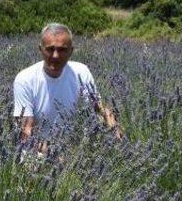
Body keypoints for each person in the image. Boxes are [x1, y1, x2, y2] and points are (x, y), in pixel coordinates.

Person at [13, 22, 122, 154]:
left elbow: (98, 106)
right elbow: (26, 133)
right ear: (40, 49)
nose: (55, 55)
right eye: (50, 49)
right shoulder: (25, 79)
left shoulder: (81, 72)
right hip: (38, 152)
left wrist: (114, 127)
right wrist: (56, 153)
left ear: (71, 51)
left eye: (62, 50)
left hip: (76, 149)